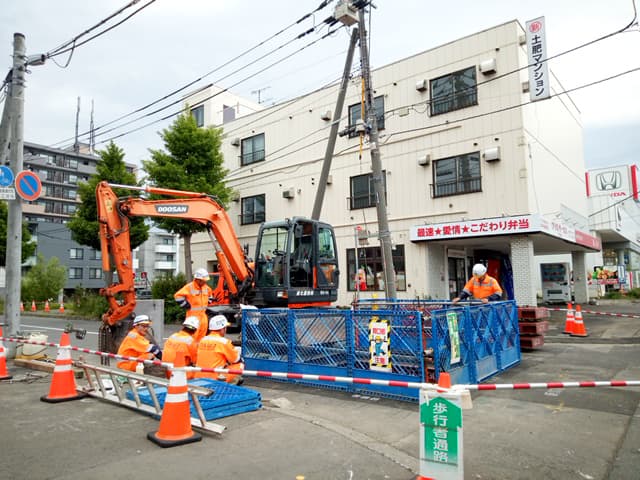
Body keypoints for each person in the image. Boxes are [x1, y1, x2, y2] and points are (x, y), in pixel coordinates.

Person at [195, 314, 244, 385]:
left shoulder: (202, 340)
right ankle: (229, 383)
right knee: (240, 365)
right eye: (225, 328)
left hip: (198, 376)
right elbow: (236, 359)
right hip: (215, 378)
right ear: (222, 329)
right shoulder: (224, 342)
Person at [174, 267, 214, 341]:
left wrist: (208, 301)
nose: (205, 282)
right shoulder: (189, 287)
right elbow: (177, 296)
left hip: (203, 316)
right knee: (192, 338)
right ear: (198, 279)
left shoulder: (206, 288)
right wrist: (185, 304)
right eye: (203, 280)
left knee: (202, 338)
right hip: (192, 317)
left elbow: (210, 296)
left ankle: (198, 349)